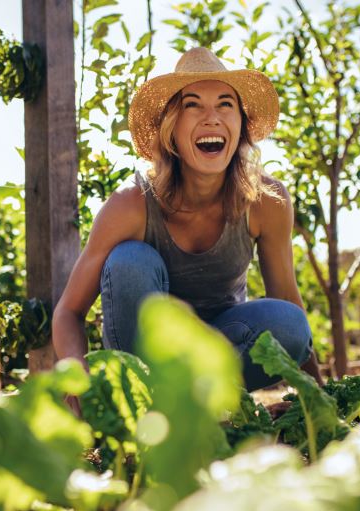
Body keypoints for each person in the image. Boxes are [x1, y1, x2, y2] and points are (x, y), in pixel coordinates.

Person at [52, 47, 323, 398]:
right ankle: (139, 405)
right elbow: (68, 312)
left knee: (289, 323)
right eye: (193, 105)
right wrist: (76, 373)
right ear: (171, 128)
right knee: (130, 260)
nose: (212, 118)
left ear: (240, 126)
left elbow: (286, 297)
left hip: (222, 351)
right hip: (144, 362)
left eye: (225, 104)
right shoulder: (131, 204)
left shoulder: (265, 200)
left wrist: (319, 394)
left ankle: (199, 404)